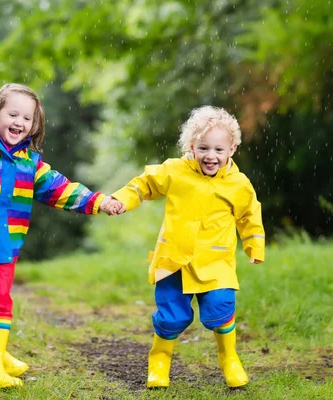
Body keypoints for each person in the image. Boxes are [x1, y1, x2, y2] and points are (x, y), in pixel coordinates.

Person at [0, 83, 120, 388]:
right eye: (13, 114)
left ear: (34, 125)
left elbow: (61, 189)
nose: (19, 122)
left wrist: (99, 201)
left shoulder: (31, 164)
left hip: (3, 245)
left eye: (26, 118)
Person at [109, 105, 265, 388]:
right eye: (203, 148)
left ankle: (229, 358)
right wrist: (121, 200)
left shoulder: (239, 184)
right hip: (174, 261)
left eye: (219, 149)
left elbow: (249, 215)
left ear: (232, 149)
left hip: (216, 263)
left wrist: (255, 246)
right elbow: (144, 185)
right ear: (191, 146)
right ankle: (159, 360)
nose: (211, 156)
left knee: (220, 307)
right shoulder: (175, 171)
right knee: (171, 317)